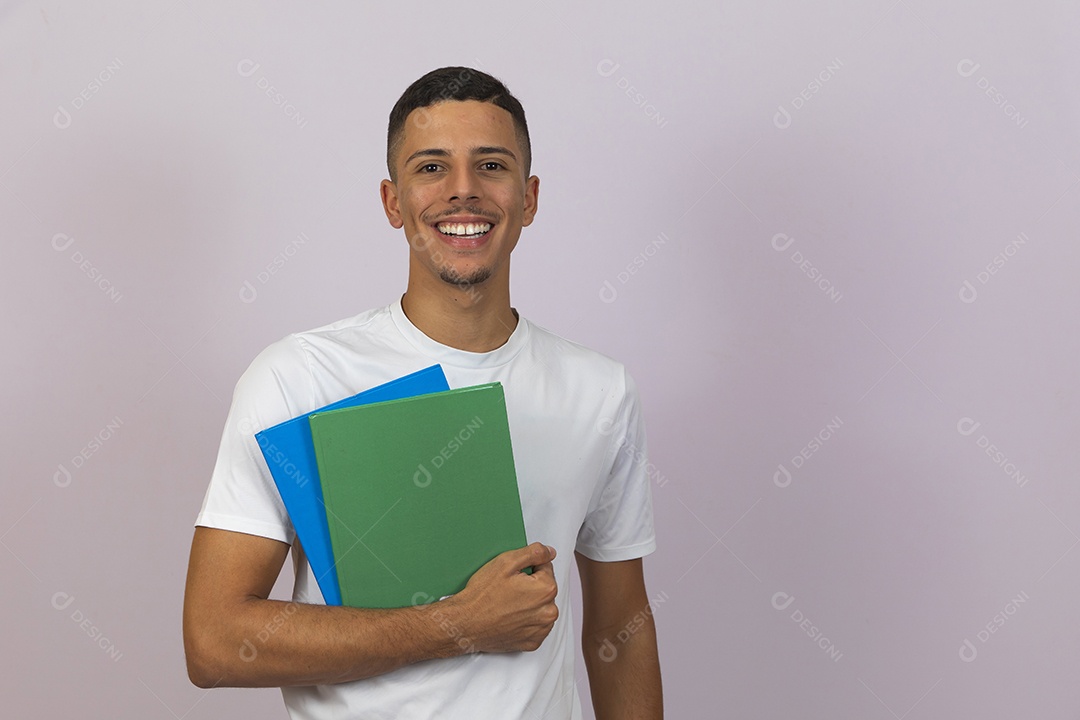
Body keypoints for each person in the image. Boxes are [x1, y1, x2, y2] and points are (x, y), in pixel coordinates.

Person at [183, 66, 662, 719]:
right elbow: (213, 645)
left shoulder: (599, 389)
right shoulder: (299, 376)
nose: (463, 191)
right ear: (392, 201)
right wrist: (455, 623)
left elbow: (619, 628)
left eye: (491, 165)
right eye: (431, 168)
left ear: (529, 198)